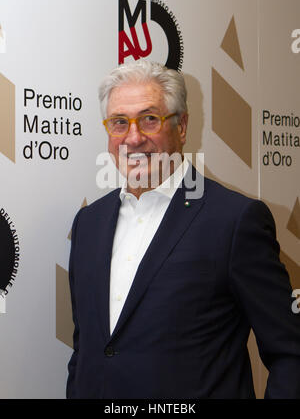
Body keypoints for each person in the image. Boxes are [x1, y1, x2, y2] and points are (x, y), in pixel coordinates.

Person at [67, 60, 300, 399]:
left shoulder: (234, 221)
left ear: (182, 126)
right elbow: (86, 351)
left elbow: (290, 353)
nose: (133, 138)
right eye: (119, 122)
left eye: (149, 119)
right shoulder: (88, 224)